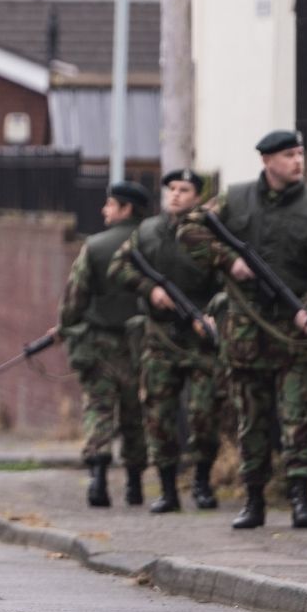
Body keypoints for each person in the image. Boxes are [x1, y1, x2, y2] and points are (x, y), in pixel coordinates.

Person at [179, 130, 307, 530]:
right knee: (251, 417)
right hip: (247, 332)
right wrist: (227, 261)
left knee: (299, 417)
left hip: (296, 331)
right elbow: (189, 230)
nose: (297, 161)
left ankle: (300, 498)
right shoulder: (235, 199)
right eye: (289, 155)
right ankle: (253, 499)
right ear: (267, 161)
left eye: (300, 153)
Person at [109, 169, 223, 512]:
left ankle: (202, 483)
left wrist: (215, 312)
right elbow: (119, 266)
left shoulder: (209, 232)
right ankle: (168, 488)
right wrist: (150, 289)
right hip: (160, 337)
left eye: (184, 190)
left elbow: (227, 276)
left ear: (197, 196)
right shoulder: (147, 232)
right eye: (171, 188)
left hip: (200, 336)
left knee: (204, 413)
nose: (175, 195)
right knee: (159, 414)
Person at [59, 181, 150, 508]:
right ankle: (136, 483)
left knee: (99, 408)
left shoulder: (95, 246)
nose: (104, 210)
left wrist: (65, 327)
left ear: (125, 209)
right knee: (135, 411)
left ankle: (97, 479)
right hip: (143, 343)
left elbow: (75, 297)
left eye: (110, 204)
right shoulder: (153, 240)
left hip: (99, 342)